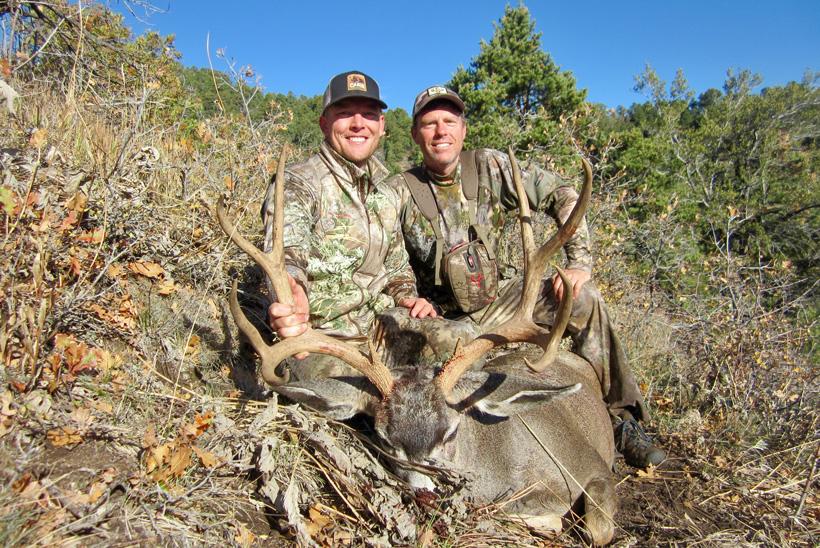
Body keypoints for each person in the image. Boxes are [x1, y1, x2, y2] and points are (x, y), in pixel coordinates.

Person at [387, 85, 666, 468]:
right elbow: (389, 259)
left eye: (449, 122)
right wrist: (407, 295)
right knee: (437, 367)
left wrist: (579, 262)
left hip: (502, 299)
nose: (441, 132)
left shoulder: (489, 166)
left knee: (582, 299)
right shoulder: (400, 190)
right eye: (430, 124)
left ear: (463, 130)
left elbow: (562, 193)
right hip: (446, 321)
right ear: (416, 133)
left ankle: (622, 421)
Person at [261, 72, 473, 378]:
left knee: (465, 351)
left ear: (381, 126)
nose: (358, 124)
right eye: (345, 113)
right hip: (325, 339)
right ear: (324, 123)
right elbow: (284, 259)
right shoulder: (298, 182)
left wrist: (407, 296)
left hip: (384, 329)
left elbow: (397, 267)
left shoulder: (386, 189)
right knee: (373, 396)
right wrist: (292, 298)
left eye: (369, 114)